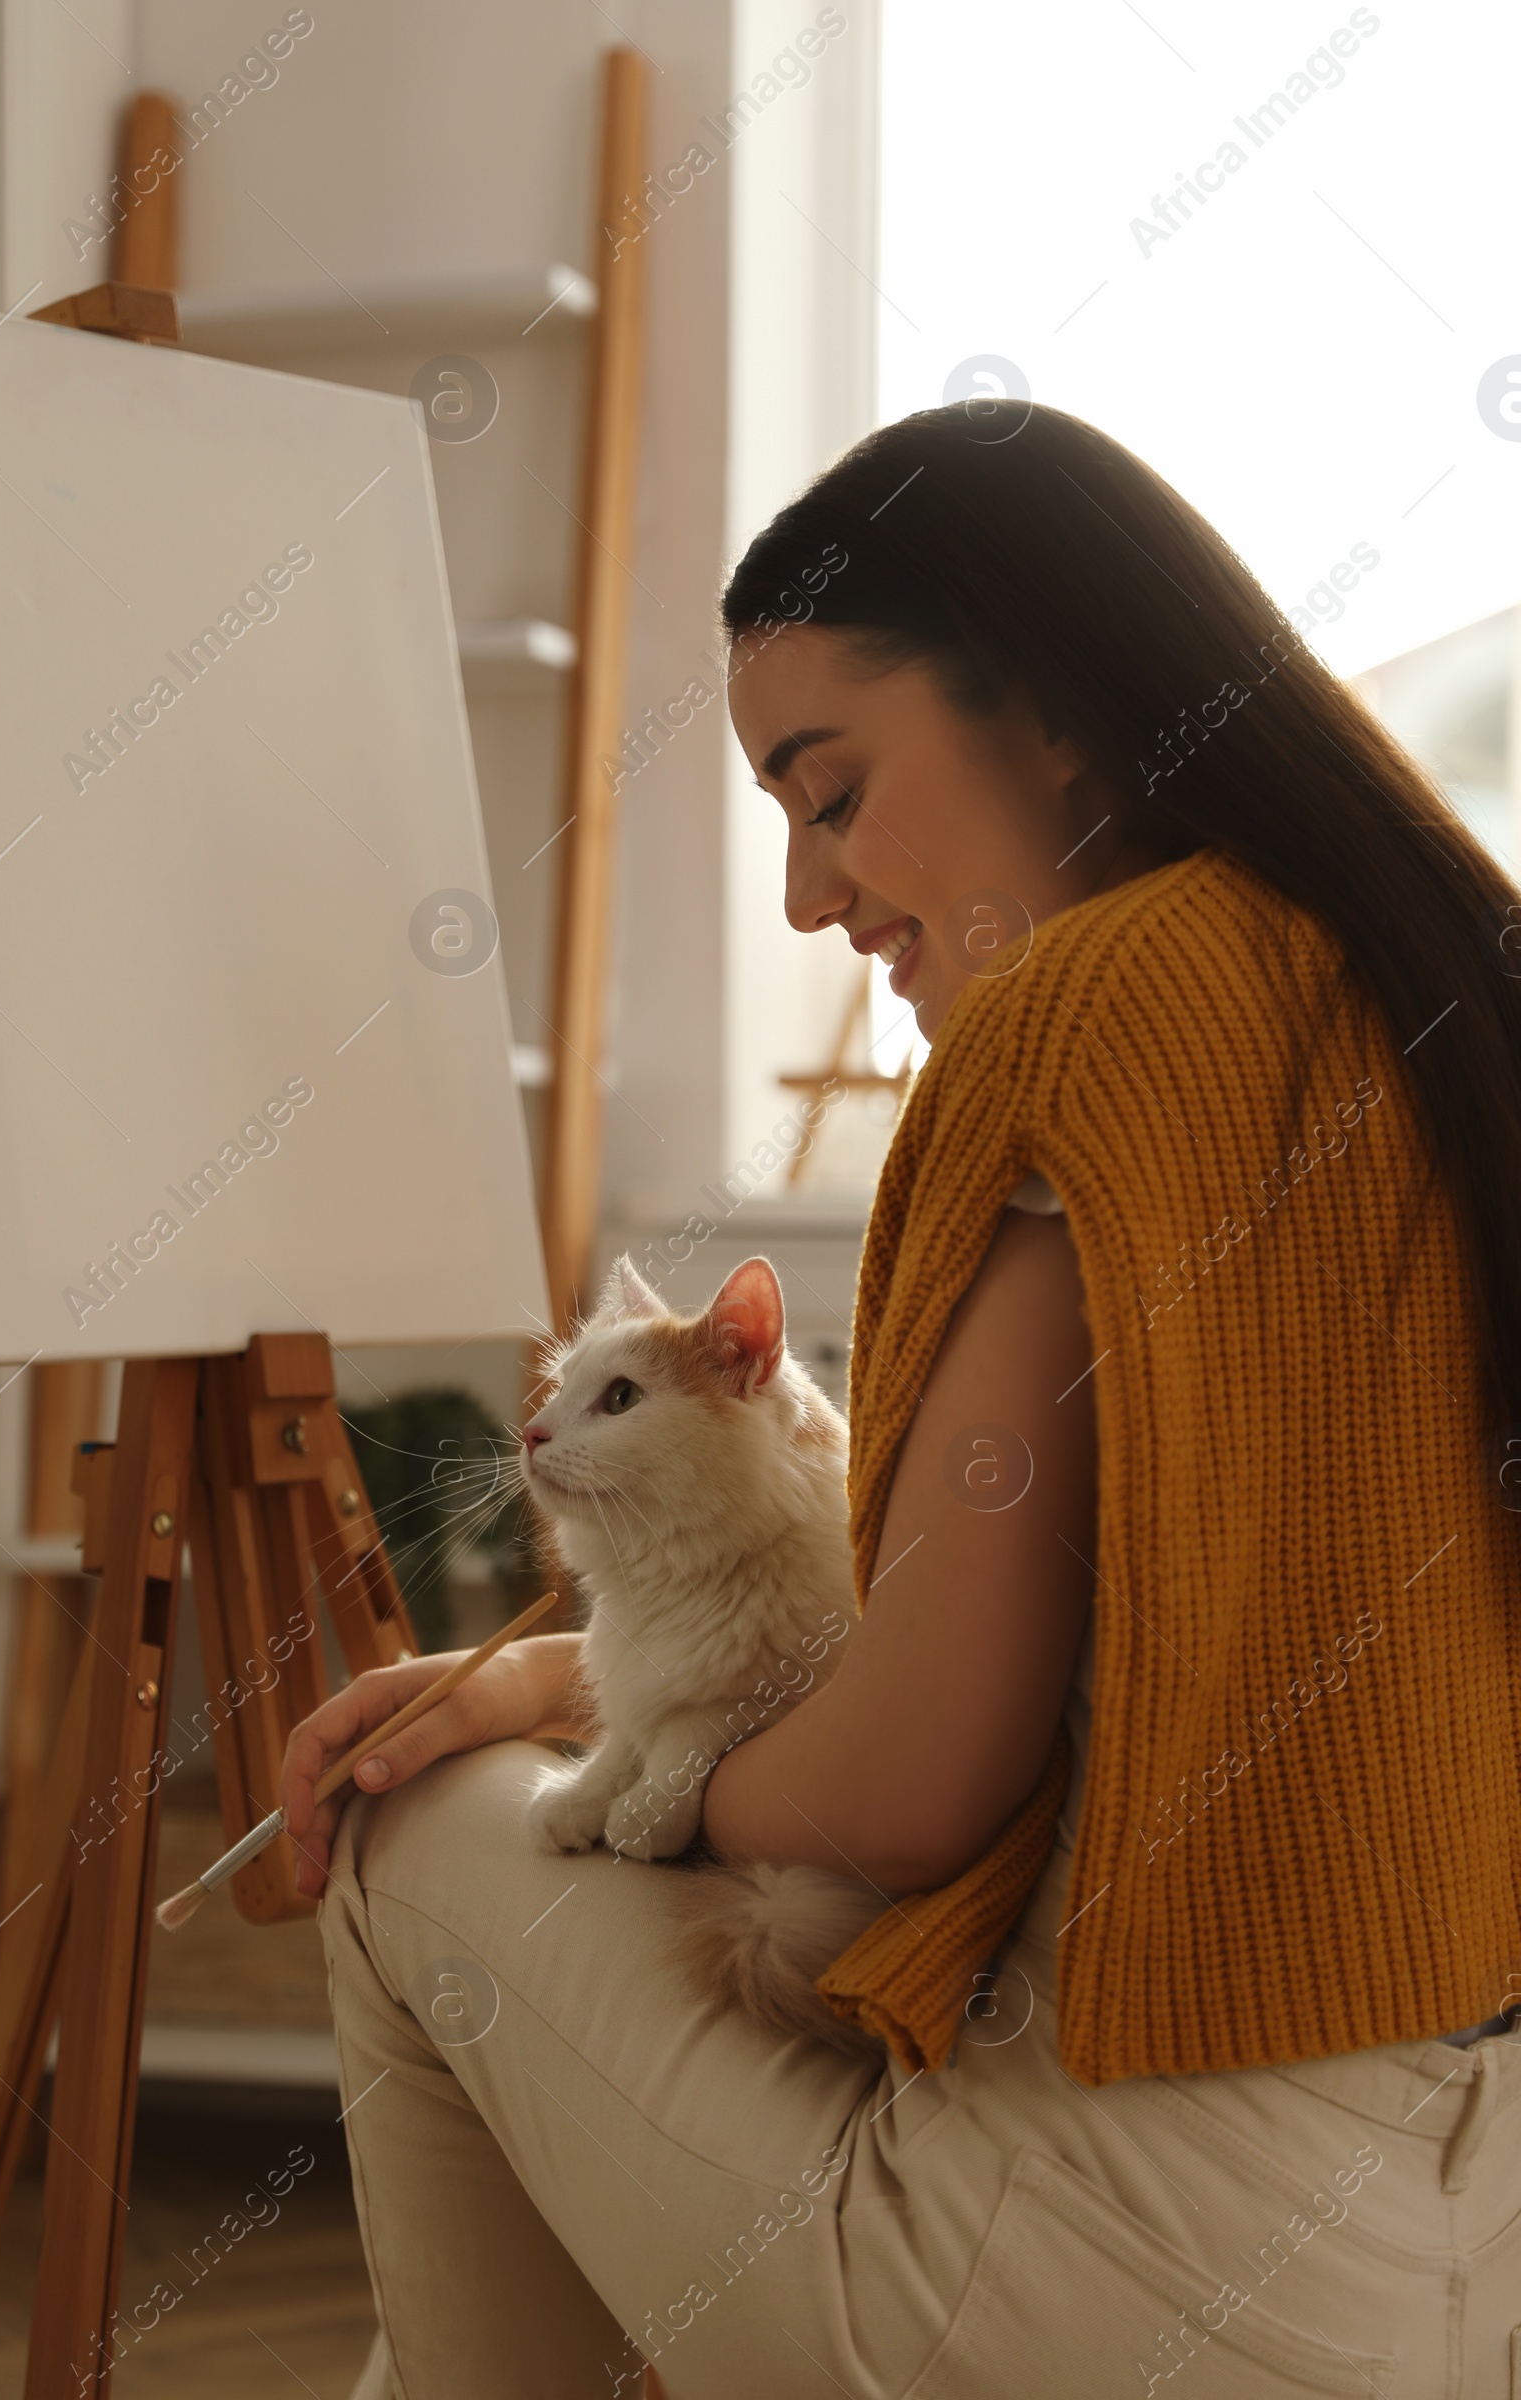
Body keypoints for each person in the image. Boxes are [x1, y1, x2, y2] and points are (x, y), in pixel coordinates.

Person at [282, 402, 1521, 2398]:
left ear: (1047, 711)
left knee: (401, 1839)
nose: (803, 896)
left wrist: (646, 1783)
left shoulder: (1084, 1012)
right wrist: (564, 1691)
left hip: (1132, 2251)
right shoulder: (1440, 986)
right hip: (1467, 2222)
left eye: (829, 791)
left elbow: (907, 1777)